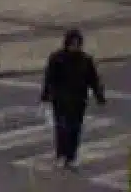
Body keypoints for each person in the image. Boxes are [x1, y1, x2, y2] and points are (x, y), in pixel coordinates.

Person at [43, 28, 107, 169]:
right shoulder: (57, 58)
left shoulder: (85, 60)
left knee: (75, 129)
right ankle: (62, 155)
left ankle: (71, 156)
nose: (75, 47)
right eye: (73, 44)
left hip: (78, 100)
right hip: (60, 100)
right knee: (62, 128)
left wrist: (99, 96)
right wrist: (46, 95)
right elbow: (49, 78)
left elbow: (93, 79)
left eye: (77, 44)